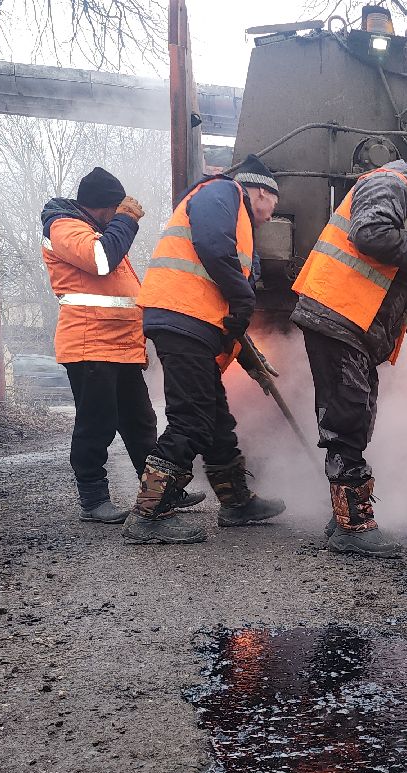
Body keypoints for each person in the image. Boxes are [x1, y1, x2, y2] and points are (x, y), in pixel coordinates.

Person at [291, 154, 407, 558]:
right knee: (348, 414)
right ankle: (353, 525)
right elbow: (367, 233)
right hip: (337, 315)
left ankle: (344, 518)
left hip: (354, 326)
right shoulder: (390, 184)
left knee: (358, 413)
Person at [125, 155, 287, 544]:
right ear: (261, 191)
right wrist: (244, 297)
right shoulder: (222, 191)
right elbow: (213, 248)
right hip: (182, 321)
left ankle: (236, 503)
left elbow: (225, 311)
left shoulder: (236, 215)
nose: (271, 215)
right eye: (273, 206)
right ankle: (148, 514)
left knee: (215, 420)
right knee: (192, 419)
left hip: (192, 323)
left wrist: (253, 363)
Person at [40, 167, 203, 523]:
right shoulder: (64, 227)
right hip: (90, 344)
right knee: (95, 424)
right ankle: (93, 501)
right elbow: (102, 261)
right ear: (104, 207)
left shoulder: (95, 230)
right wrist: (127, 220)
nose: (123, 217)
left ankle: (159, 492)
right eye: (118, 209)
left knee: (140, 421)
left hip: (117, 347)